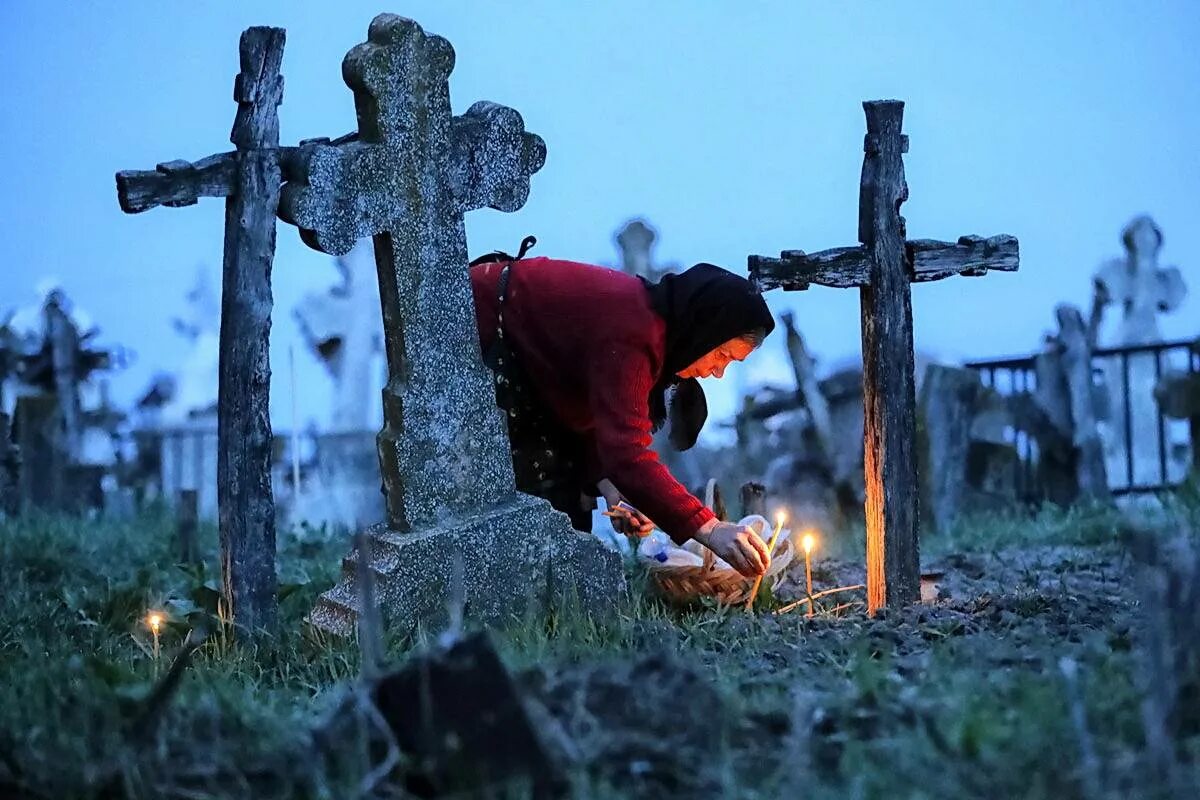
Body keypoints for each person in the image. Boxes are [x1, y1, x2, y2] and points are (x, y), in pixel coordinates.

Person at [470, 239, 775, 577]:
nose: (718, 373)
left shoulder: (652, 334)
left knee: (564, 506)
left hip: (527, 374)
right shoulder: (634, 333)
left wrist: (612, 490)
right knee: (544, 497)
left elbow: (587, 404)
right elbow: (626, 453)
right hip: (475, 328)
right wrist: (709, 529)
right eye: (723, 356)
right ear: (704, 330)